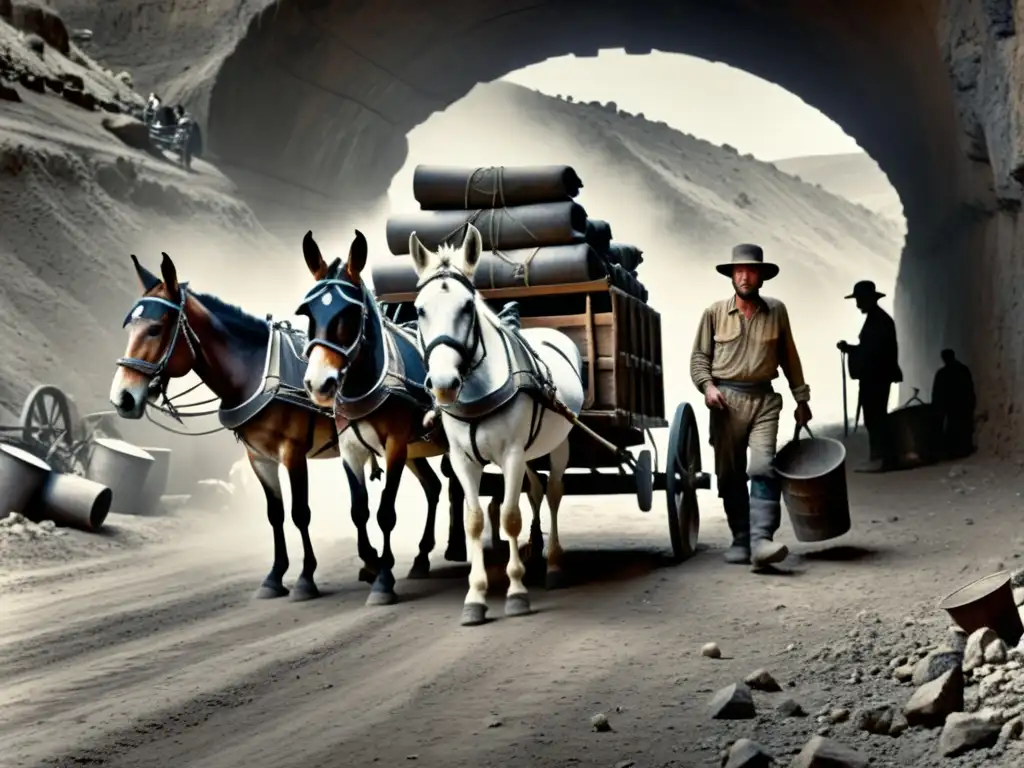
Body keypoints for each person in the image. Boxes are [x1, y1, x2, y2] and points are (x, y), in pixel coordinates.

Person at [690, 243, 812, 570]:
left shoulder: (777, 312)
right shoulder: (714, 313)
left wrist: (802, 398)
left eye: (752, 271)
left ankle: (761, 541)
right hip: (725, 404)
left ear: (761, 277)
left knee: (762, 467)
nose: (745, 277)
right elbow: (700, 359)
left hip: (764, 401)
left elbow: (790, 357)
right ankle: (741, 538)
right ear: (731, 276)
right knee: (730, 475)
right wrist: (708, 387)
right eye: (739, 271)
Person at [837, 280, 902, 472]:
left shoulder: (878, 321)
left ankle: (884, 458)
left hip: (876, 377)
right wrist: (851, 350)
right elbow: (870, 350)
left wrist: (850, 350)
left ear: (868, 299)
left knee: (876, 417)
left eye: (859, 300)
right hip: (877, 375)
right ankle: (880, 457)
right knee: (875, 415)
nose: (857, 304)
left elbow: (873, 353)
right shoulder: (878, 319)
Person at [931, 348, 976, 459]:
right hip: (960, 405)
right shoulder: (963, 370)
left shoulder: (942, 374)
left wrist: (936, 407)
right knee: (960, 427)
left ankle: (954, 450)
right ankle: (962, 449)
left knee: (954, 427)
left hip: (953, 406)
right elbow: (970, 388)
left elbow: (936, 393)